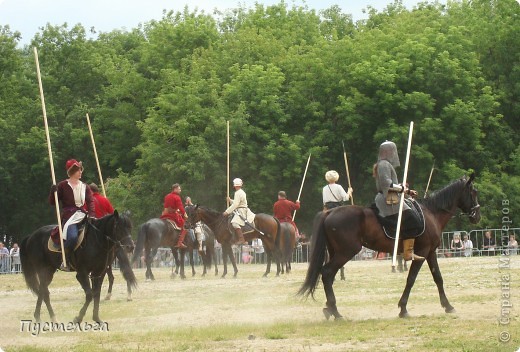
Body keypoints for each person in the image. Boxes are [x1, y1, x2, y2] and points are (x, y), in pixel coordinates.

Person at [374, 141, 424, 261]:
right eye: (392, 151)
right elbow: (386, 183)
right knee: (413, 220)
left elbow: (392, 184)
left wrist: (407, 191)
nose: (393, 153)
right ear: (386, 152)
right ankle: (407, 253)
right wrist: (401, 188)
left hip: (393, 197)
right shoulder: (384, 164)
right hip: (388, 200)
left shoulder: (385, 164)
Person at [49, 159, 95, 271]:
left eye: (80, 170)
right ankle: (65, 260)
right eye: (78, 170)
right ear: (72, 171)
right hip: (70, 217)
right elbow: (52, 202)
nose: (81, 172)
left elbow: (90, 201)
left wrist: (92, 215)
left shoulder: (85, 186)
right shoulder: (62, 185)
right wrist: (52, 192)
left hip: (83, 215)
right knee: (73, 237)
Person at [223, 178, 252, 245]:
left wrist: (227, 212)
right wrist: (230, 200)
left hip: (241, 210)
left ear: (235, 185)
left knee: (234, 223)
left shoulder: (238, 193)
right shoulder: (241, 192)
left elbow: (236, 204)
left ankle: (242, 239)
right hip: (240, 209)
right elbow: (237, 202)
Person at [160, 183, 187, 249]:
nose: (180, 190)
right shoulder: (177, 197)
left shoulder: (167, 196)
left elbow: (165, 207)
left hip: (165, 214)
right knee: (185, 225)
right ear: (175, 189)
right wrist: (185, 215)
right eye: (179, 189)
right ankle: (180, 242)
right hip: (173, 215)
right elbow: (181, 208)